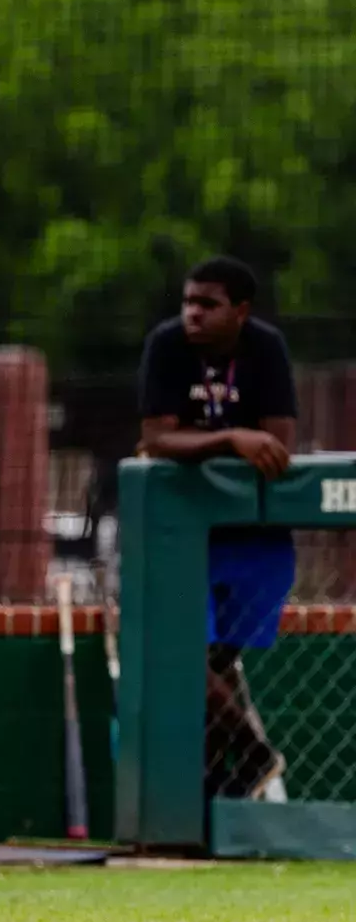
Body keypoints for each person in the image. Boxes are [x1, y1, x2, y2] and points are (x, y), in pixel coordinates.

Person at [138, 255, 296, 802]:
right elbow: (158, 439)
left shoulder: (266, 348)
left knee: (216, 660)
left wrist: (210, 440)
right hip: (182, 531)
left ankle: (217, 791)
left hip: (250, 530)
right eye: (187, 302)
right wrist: (232, 440)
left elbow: (278, 445)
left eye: (208, 305)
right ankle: (254, 754)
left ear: (241, 310)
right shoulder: (166, 345)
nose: (192, 314)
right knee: (184, 646)